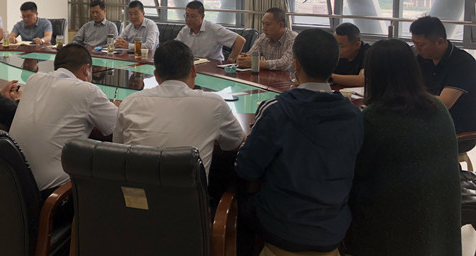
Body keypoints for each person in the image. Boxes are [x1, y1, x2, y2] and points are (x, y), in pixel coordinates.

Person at [235, 29, 363, 256]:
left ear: (296, 64)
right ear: (333, 65)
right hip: (333, 229)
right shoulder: (355, 116)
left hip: (280, 226)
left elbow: (246, 168)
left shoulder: (276, 110)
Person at [346, 39, 461, 256]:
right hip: (442, 221)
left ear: (374, 75)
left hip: (396, 229)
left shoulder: (375, 117)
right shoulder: (437, 106)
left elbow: (355, 172)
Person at [114, 40, 244, 177]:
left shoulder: (129, 103)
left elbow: (118, 148)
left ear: (156, 75)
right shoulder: (214, 104)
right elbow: (236, 142)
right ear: (193, 71)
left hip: (136, 189)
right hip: (189, 191)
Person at [9, 44, 118, 194]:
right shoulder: (87, 90)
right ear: (86, 69)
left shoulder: (34, 79)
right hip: (56, 192)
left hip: (15, 184)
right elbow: (118, 126)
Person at [410, 15, 476, 134]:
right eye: (414, 43)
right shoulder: (421, 59)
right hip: (427, 121)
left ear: (440, 41)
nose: (417, 49)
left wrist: (410, 97)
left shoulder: (463, 63)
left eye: (421, 45)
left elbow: (444, 103)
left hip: (457, 129)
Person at [175, 1, 245, 62]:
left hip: (213, 68)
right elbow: (174, 48)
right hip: (192, 66)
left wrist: (230, 62)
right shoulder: (184, 31)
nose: (188, 19)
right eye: (187, 16)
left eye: (192, 16)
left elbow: (240, 40)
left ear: (202, 16)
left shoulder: (214, 29)